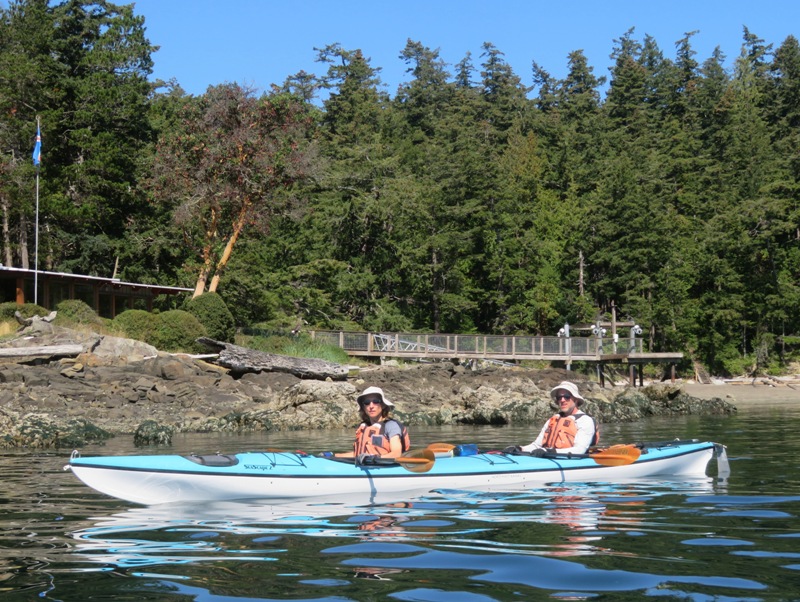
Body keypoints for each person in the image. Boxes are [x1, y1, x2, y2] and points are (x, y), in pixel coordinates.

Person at [507, 381, 597, 456]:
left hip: (569, 461)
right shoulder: (553, 420)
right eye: (559, 397)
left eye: (567, 396)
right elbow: (536, 445)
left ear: (576, 399)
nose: (562, 400)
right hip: (549, 457)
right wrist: (519, 448)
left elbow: (579, 450)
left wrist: (551, 452)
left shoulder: (585, 421)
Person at [329, 386, 411, 463]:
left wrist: (373, 459)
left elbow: (397, 454)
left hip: (385, 467)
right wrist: (333, 455)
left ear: (382, 405)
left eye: (376, 401)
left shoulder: (391, 426)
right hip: (367, 465)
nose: (371, 406)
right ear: (363, 407)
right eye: (367, 402)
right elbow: (357, 455)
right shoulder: (364, 427)